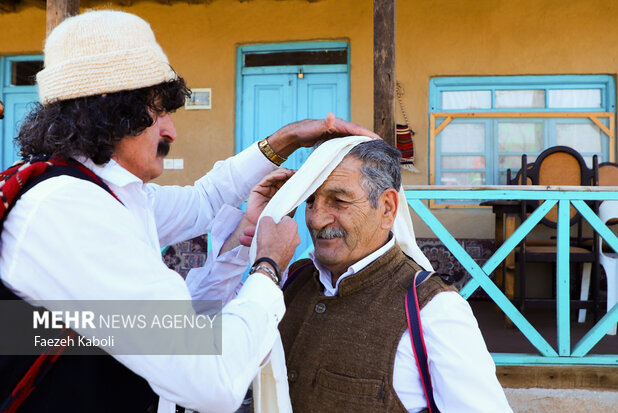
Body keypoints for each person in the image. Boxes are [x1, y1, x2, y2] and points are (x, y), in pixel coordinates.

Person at [0, 9, 378, 413]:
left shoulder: (109, 195)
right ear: (109, 111)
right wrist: (268, 268)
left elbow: (203, 201)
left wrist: (285, 140)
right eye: (158, 111)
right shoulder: (70, 211)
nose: (171, 132)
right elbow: (210, 379)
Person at [276, 139, 513, 412]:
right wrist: (241, 238)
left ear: (387, 208)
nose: (315, 219)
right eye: (310, 201)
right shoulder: (287, 282)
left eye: (338, 201)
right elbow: (214, 357)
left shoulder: (434, 310)